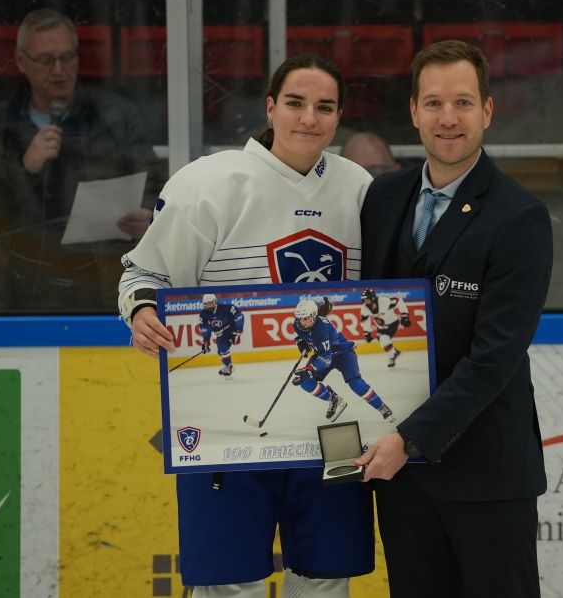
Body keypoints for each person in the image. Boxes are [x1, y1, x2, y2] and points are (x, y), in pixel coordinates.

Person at [117, 54, 374, 597]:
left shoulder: (359, 187)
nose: (309, 118)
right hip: (223, 415)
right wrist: (141, 310)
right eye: (296, 103)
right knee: (230, 582)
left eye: (324, 107)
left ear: (339, 115)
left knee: (328, 577)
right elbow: (144, 271)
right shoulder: (208, 183)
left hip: (334, 428)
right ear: (270, 107)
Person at [354, 40, 553, 598]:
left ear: (487, 111)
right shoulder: (382, 198)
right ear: (413, 112)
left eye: (463, 103)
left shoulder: (521, 217)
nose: (448, 118)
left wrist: (409, 439)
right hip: (401, 479)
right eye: (434, 103)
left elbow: (494, 359)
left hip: (485, 475)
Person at [0, 8, 166, 311]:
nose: (58, 70)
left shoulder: (117, 117)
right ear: (21, 61)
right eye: (45, 60)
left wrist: (151, 220)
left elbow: (158, 191)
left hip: (101, 293)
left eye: (67, 58)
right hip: (16, 298)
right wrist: (22, 167)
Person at [291, 298, 396, 423]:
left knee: (356, 385)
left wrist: (309, 369)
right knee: (306, 383)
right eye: (300, 318)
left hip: (343, 354)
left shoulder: (322, 328)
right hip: (323, 353)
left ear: (314, 315)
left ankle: (382, 407)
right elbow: (308, 336)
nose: (302, 322)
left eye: (305, 318)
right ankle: (334, 399)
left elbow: (326, 359)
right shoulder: (297, 324)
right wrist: (301, 341)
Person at [359, 287, 411, 368]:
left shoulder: (384, 302)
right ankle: (395, 352)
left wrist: (405, 316)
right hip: (381, 327)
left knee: (384, 340)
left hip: (392, 324)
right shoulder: (364, 308)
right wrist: (367, 332)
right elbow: (365, 321)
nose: (365, 301)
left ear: (372, 298)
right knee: (383, 343)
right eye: (364, 300)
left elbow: (399, 301)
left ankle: (392, 357)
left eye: (367, 299)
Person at [198, 293, 244, 379]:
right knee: (220, 351)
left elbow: (239, 316)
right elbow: (205, 328)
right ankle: (228, 366)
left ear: (215, 301)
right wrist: (206, 340)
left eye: (210, 302)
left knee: (223, 348)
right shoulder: (204, 314)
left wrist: (238, 330)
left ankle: (229, 368)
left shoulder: (225, 308)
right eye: (206, 303)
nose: (208, 305)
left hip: (231, 330)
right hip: (220, 333)